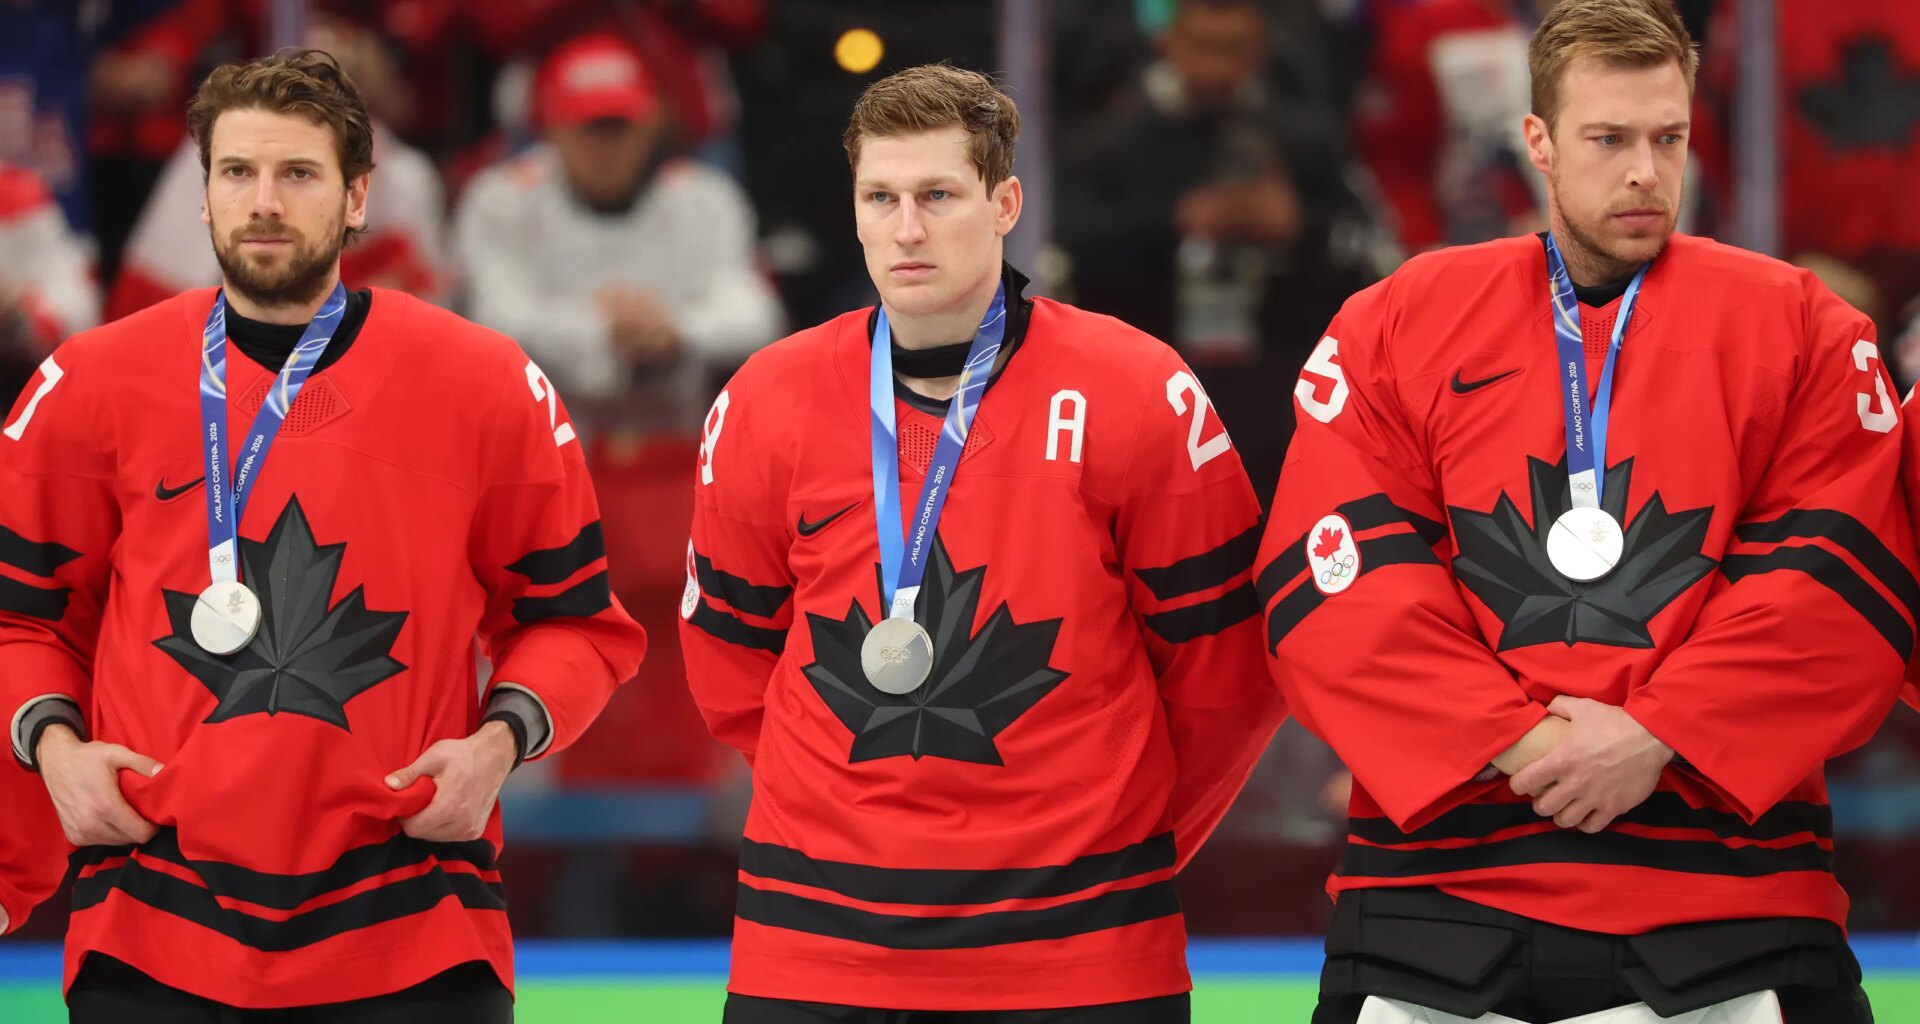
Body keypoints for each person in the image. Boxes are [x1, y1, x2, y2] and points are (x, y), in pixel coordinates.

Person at [1257, 1, 1910, 1021]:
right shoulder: (1398, 319)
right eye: (1609, 139)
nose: (1645, 170)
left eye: (1669, 137)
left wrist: (1659, 732)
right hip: (1439, 897)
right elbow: (1341, 576)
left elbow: (1836, 578)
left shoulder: (1802, 327)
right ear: (1540, 145)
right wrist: (1522, 745)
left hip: (1731, 903)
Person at [0, 48, 646, 1020]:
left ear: (357, 198)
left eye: (298, 173)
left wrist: (496, 746)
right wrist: (53, 747)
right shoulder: (90, 384)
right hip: (151, 928)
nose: (265, 200)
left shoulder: (483, 383)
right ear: (205, 196)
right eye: (237, 173)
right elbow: (19, 618)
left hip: (420, 928)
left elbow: (577, 623)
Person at [680, 64, 1283, 1022]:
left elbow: (1228, 676)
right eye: (880, 197)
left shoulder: (1136, 389)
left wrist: (1120, 840)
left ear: (1005, 203)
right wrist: (850, 801)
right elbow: (729, 661)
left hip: (1085, 953)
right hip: (815, 952)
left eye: (938, 196)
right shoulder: (766, 398)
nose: (906, 229)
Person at [454, 32, 782, 425]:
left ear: (651, 125)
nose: (605, 146)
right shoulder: (501, 199)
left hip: (671, 448)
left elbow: (757, 315)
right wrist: (604, 332)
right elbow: (489, 318)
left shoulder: (705, 198)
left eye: (619, 126)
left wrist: (677, 331)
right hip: (537, 440)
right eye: (589, 128)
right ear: (551, 128)